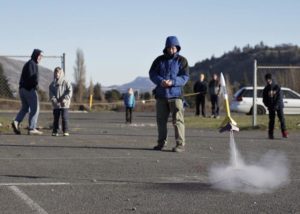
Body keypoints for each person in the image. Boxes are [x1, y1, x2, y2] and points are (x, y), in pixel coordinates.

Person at [149, 36, 189, 152]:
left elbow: (185, 77)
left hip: (176, 96)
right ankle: (161, 143)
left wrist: (172, 82)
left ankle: (180, 144)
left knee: (178, 121)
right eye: (169, 48)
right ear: (166, 48)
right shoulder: (159, 60)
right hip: (161, 95)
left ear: (177, 48)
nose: (171, 50)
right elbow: (152, 73)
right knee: (161, 121)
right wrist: (161, 81)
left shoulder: (182, 60)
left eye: (174, 48)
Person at [11, 49, 43, 135]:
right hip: (29, 89)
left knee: (25, 108)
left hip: (22, 89)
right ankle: (32, 128)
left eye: (42, 56)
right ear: (36, 55)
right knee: (35, 108)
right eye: (40, 56)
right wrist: (35, 86)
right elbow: (33, 77)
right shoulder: (32, 64)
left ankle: (16, 121)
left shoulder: (29, 63)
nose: (41, 58)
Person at [262, 73, 288, 139]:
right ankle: (270, 134)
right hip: (271, 107)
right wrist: (268, 105)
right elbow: (264, 99)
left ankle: (284, 133)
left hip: (279, 106)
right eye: (267, 79)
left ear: (271, 79)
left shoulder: (277, 87)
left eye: (269, 79)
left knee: (282, 119)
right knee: (271, 120)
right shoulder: (266, 89)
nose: (268, 81)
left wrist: (276, 105)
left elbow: (280, 97)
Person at [49, 67, 73, 136]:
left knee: (64, 117)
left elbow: (70, 91)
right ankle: (55, 131)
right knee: (56, 118)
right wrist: (54, 100)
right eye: (56, 72)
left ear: (61, 73)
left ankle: (65, 131)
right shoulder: (52, 84)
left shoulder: (66, 82)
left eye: (58, 72)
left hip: (64, 103)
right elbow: (51, 94)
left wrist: (65, 99)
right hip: (56, 104)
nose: (57, 74)